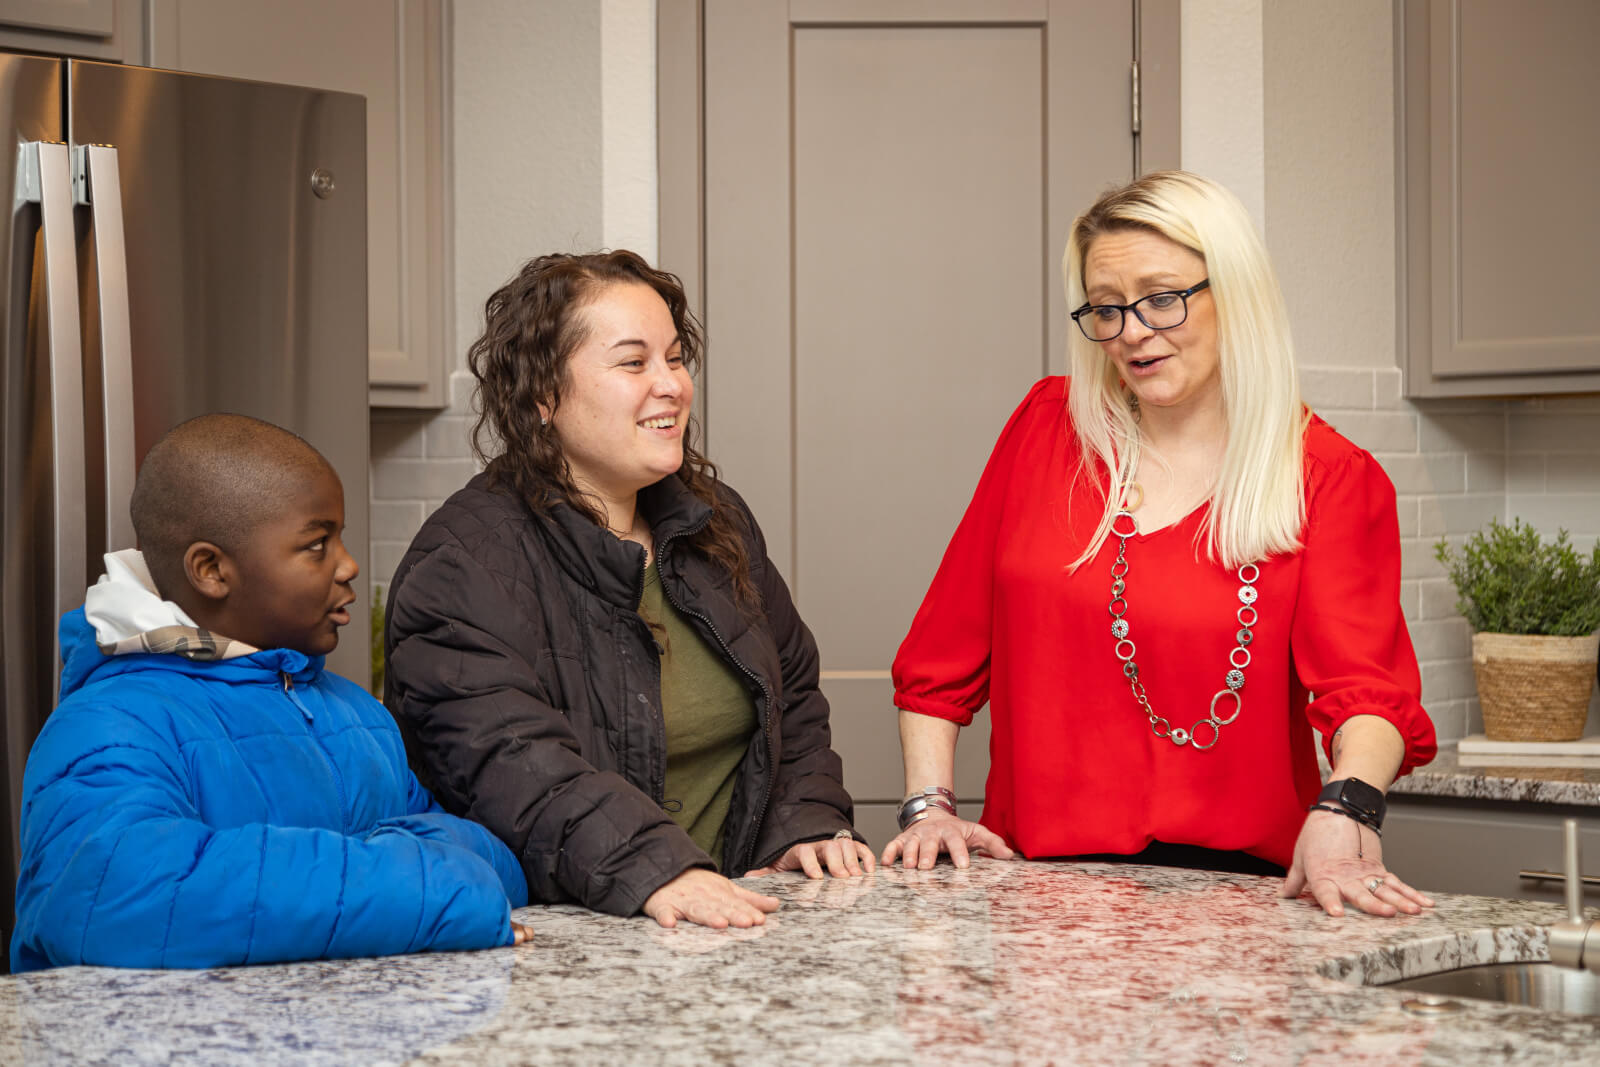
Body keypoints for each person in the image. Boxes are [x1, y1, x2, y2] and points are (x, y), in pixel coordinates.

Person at [882, 171, 1438, 918]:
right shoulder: (1047, 431)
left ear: (1234, 293)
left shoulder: (1328, 478)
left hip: (1236, 900)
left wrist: (1347, 810)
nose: (1132, 331)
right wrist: (929, 808)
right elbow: (938, 661)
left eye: (1162, 297)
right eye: (1106, 307)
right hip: (1037, 897)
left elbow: (1367, 695)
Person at [384, 250, 871, 931]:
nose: (672, 385)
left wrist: (804, 826)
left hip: (736, 923)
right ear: (542, 396)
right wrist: (659, 868)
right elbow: (511, 765)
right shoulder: (460, 565)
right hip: (564, 946)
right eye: (634, 363)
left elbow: (792, 699)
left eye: (675, 358)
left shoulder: (718, 520)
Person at [9, 415, 531, 972]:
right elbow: (117, 897)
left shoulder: (358, 715)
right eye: (317, 544)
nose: (349, 565)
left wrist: (389, 876)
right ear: (211, 570)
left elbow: (490, 861)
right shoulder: (108, 724)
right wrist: (408, 880)